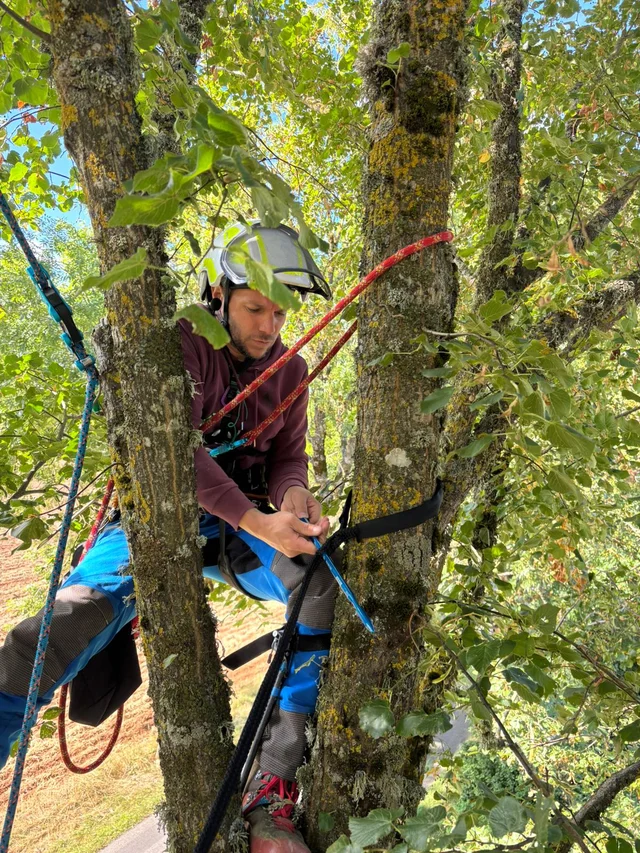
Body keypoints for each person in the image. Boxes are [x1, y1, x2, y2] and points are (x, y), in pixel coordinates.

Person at [0, 221, 337, 853]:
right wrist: (261, 519)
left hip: (238, 528)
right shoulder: (179, 344)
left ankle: (271, 785)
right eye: (254, 308)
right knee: (44, 636)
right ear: (218, 295)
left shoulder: (290, 372)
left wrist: (292, 495)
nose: (269, 326)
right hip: (155, 520)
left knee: (319, 586)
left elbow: (287, 458)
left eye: (280, 312)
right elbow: (176, 452)